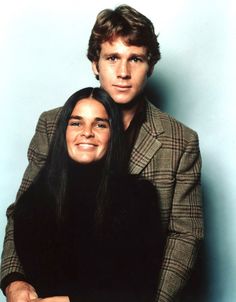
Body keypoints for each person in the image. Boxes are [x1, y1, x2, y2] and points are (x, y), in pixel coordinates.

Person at [0, 4, 204, 302]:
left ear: (150, 66)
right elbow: (24, 211)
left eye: (135, 58)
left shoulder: (180, 140)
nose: (123, 72)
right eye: (112, 58)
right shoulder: (53, 124)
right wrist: (15, 281)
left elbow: (185, 236)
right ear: (95, 64)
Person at [12, 87, 163, 302]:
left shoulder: (139, 198)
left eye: (100, 124)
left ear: (113, 134)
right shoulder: (34, 201)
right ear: (63, 131)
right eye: (76, 123)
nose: (87, 132)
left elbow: (138, 288)